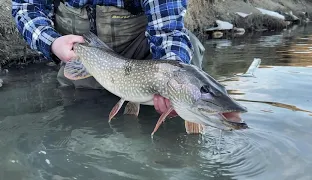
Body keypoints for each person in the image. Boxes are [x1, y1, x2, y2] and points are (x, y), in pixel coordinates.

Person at [11, 0, 205, 117]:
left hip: (144, 60)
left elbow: (168, 32)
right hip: (83, 59)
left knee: (187, 70)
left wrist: (171, 84)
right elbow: (27, 6)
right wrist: (52, 43)